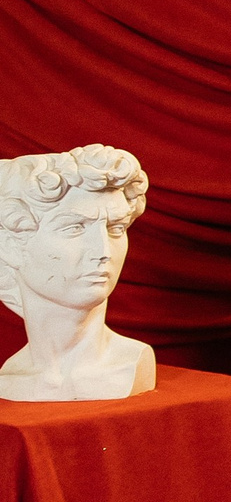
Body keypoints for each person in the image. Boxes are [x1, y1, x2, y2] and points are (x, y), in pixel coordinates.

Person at [0, 144, 155, 402]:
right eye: (74, 228)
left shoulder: (129, 365)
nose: (103, 251)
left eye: (116, 228)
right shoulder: (10, 379)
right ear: (10, 246)